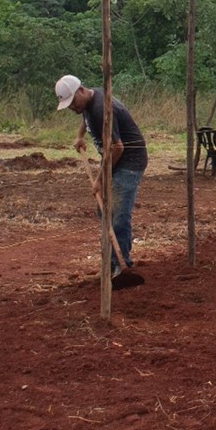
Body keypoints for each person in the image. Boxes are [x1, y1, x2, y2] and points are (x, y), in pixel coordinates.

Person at [55, 75, 147, 283]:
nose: (71, 108)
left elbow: (118, 147)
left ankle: (121, 265)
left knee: (118, 213)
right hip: (115, 160)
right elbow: (84, 117)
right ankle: (110, 263)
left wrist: (100, 179)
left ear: (80, 90)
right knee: (104, 210)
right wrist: (80, 136)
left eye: (72, 103)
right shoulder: (89, 100)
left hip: (129, 162)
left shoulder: (102, 109)